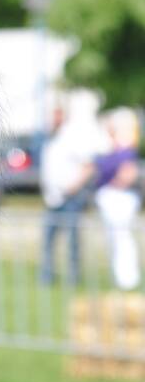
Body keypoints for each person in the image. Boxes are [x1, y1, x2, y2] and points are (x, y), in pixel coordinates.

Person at [40, 106, 94, 285]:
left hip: (71, 198)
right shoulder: (50, 141)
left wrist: (74, 186)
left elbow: (89, 166)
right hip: (52, 198)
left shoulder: (71, 139)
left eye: (56, 116)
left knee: (72, 242)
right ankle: (47, 277)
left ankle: (73, 278)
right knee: (47, 241)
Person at [95, 108, 141, 290]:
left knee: (121, 239)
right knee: (115, 240)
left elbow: (128, 174)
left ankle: (127, 279)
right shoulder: (113, 149)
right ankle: (122, 278)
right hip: (112, 198)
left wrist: (112, 185)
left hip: (119, 199)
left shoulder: (126, 151)